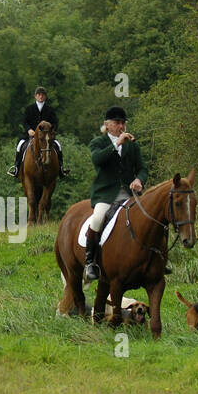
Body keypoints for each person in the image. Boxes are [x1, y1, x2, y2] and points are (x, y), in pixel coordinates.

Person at [83, 105, 148, 282]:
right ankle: (90, 263)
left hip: (128, 194)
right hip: (106, 194)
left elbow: (142, 168)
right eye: (117, 123)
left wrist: (139, 180)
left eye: (123, 123)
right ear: (107, 124)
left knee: (148, 217)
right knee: (97, 219)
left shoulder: (132, 145)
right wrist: (116, 143)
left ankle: (154, 260)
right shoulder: (98, 142)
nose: (121, 126)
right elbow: (98, 160)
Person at [9, 86, 69, 178]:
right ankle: (16, 168)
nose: (41, 96)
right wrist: (29, 130)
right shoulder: (29, 109)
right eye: (39, 95)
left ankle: (61, 168)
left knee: (58, 145)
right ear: (35, 96)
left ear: (45, 97)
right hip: (31, 135)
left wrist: (52, 131)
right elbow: (25, 121)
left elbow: (55, 122)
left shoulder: (50, 109)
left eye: (42, 95)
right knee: (20, 145)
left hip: (46, 136)